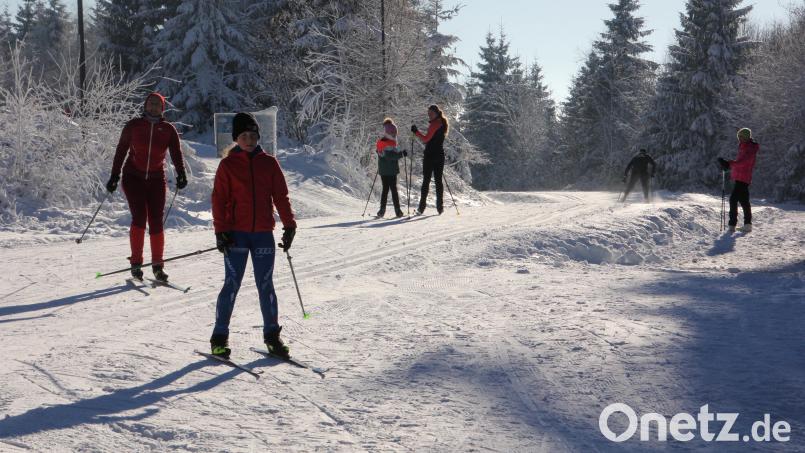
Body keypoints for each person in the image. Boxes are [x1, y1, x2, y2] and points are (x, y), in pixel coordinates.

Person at [210, 112, 297, 359]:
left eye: (252, 135)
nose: (249, 140)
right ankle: (219, 337)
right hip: (236, 235)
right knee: (232, 284)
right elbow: (219, 199)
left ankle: (272, 337)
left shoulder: (269, 163)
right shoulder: (227, 165)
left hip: (262, 235)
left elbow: (280, 196)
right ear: (236, 139)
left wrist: (289, 225)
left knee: (266, 284)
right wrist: (221, 231)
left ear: (258, 137)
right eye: (243, 136)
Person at [107, 92, 187, 282]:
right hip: (133, 176)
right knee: (140, 217)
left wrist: (181, 173)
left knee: (156, 221)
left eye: (157, 104)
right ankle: (136, 263)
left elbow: (176, 152)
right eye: (150, 103)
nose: (153, 107)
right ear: (145, 106)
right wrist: (114, 175)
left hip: (156, 179)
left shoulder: (168, 129)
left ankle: (158, 266)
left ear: (162, 108)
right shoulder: (133, 126)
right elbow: (121, 150)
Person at [718, 128, 759, 233]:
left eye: (741, 137)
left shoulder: (750, 148)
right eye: (739, 137)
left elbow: (744, 162)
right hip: (740, 177)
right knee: (744, 201)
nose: (739, 139)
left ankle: (732, 225)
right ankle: (747, 225)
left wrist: (729, 163)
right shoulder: (743, 146)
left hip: (743, 177)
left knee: (733, 199)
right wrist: (728, 165)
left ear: (746, 137)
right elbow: (739, 163)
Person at [411, 104, 448, 215]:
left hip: (430, 156)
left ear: (436, 113)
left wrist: (416, 132)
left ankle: (421, 208)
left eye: (431, 113)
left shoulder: (435, 124)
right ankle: (440, 207)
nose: (430, 115)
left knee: (426, 181)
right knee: (438, 181)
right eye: (428, 114)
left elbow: (426, 139)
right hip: (440, 155)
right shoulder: (442, 123)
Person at [375, 118, 406, 217]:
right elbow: (390, 156)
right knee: (393, 190)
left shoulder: (381, 141)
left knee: (385, 190)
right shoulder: (388, 143)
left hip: (384, 170)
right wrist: (401, 154)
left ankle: (382, 211)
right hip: (391, 170)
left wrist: (399, 153)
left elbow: (384, 154)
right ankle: (397, 211)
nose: (394, 135)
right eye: (393, 133)